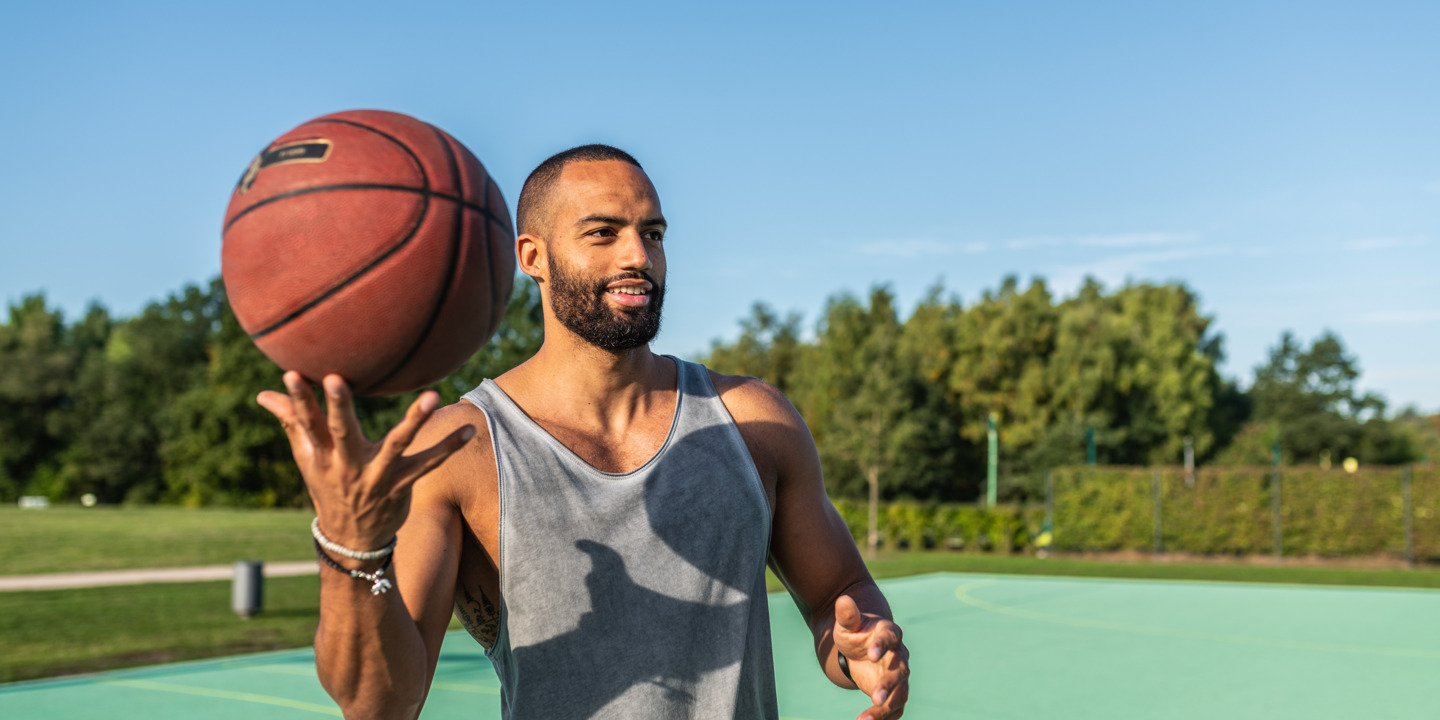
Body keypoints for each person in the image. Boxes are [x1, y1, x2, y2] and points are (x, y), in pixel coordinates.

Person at [258, 145, 911, 720]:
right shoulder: (462, 448)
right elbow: (380, 705)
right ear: (533, 256)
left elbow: (838, 595)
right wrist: (355, 547)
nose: (638, 256)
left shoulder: (754, 419)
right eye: (603, 233)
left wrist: (863, 646)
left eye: (651, 233)